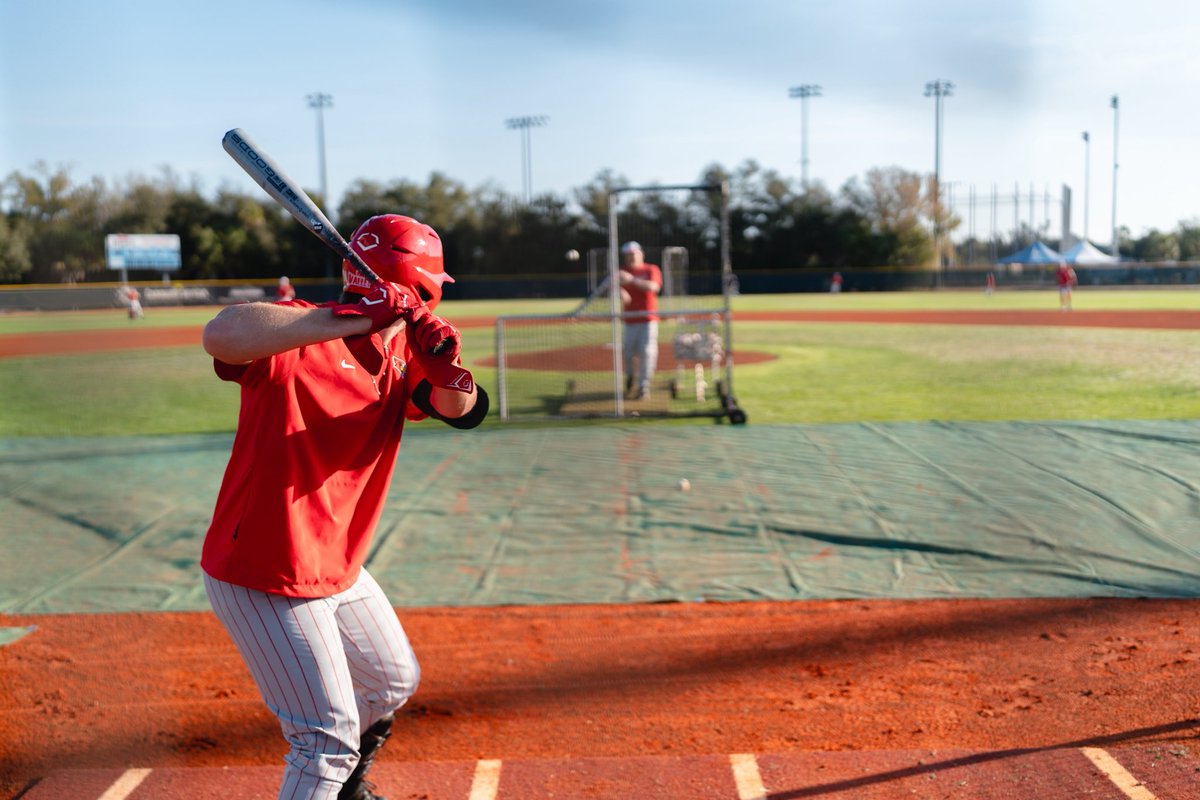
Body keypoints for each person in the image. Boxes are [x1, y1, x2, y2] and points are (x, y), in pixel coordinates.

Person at [199, 214, 487, 800]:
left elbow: (464, 410)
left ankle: (346, 794)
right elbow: (221, 333)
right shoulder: (300, 335)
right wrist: (351, 319)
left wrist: (440, 357)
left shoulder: (403, 350)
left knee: (390, 680)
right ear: (423, 281)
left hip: (337, 562)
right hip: (265, 568)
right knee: (325, 741)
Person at [617, 241, 662, 400]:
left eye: (633, 254)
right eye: (628, 255)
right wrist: (619, 290)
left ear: (641, 254)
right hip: (629, 320)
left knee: (647, 352)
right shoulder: (621, 271)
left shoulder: (651, 269)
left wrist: (632, 280)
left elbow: (653, 287)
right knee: (627, 353)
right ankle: (630, 376)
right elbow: (611, 287)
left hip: (648, 319)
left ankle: (644, 386)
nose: (631, 257)